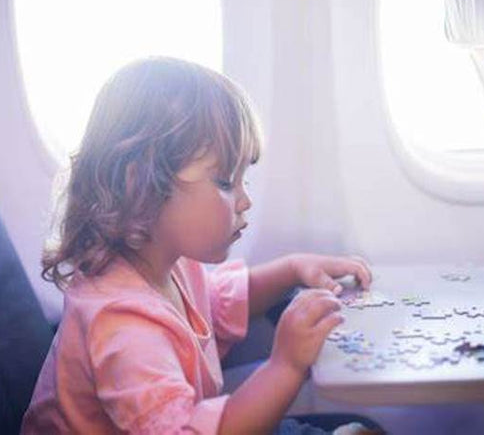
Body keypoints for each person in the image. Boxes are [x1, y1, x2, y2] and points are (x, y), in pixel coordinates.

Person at [21, 57, 376, 435]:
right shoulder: (121, 327)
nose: (245, 200)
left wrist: (291, 269)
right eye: (225, 182)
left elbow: (219, 303)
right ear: (140, 186)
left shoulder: (166, 263)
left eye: (244, 179)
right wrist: (284, 366)